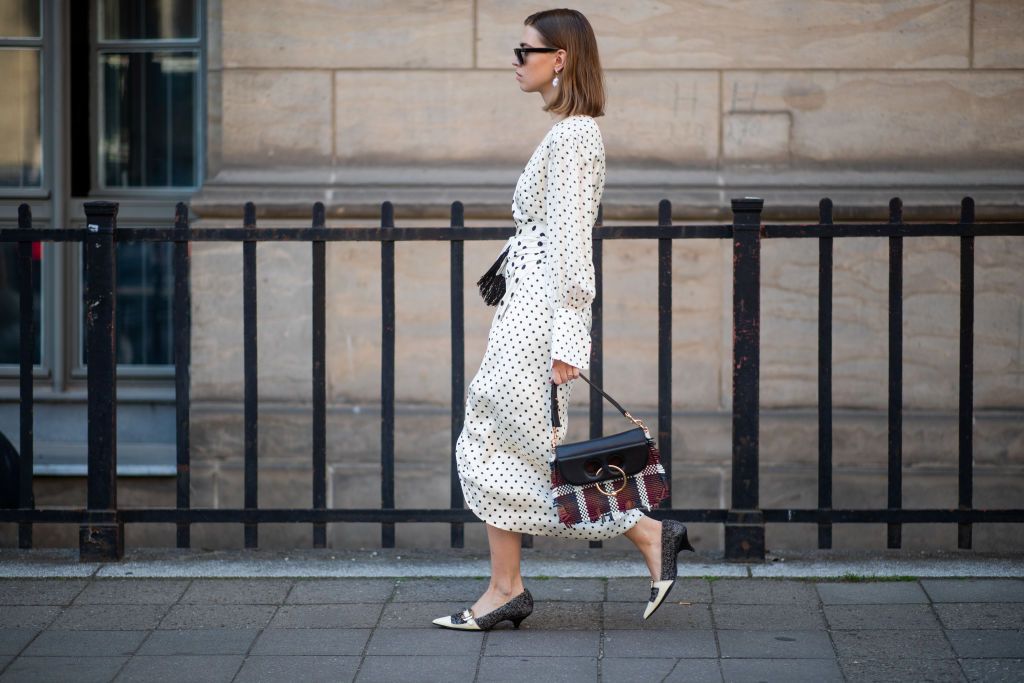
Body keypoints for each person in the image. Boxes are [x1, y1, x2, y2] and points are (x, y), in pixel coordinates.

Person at [432, 9, 693, 632]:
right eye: (516, 50)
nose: (514, 61)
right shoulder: (567, 134)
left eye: (525, 51)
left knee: (507, 451)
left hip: (539, 319)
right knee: (499, 447)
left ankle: (644, 529)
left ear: (562, 59)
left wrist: (570, 336)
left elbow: (574, 244)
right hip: (526, 309)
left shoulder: (576, 137)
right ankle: (508, 585)